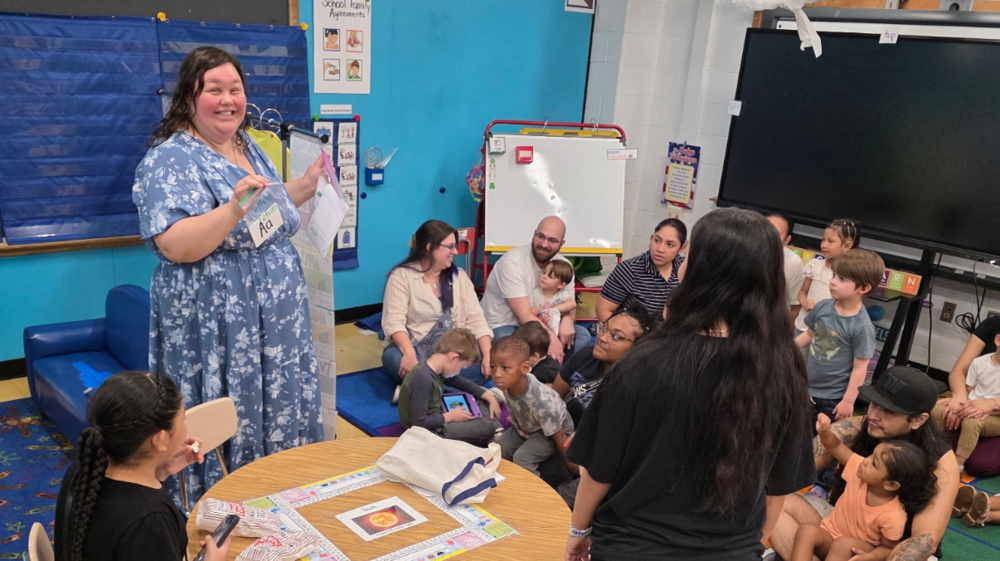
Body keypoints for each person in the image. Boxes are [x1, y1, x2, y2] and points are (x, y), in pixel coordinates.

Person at [564, 208, 815, 561]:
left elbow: (599, 468)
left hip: (632, 545)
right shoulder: (784, 363)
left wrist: (578, 530)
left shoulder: (643, 360)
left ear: (700, 266)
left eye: (688, 248)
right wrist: (753, 546)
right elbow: (779, 483)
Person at [133, 47, 325, 501]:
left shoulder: (245, 143)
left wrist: (308, 184)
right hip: (219, 326)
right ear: (188, 97)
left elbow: (267, 208)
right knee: (226, 411)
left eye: (235, 89)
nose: (227, 100)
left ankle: (279, 492)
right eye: (213, 90)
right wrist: (232, 207)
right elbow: (176, 243)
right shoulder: (169, 159)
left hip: (275, 322)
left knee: (277, 403)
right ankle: (226, 505)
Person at [769, 366, 961, 561]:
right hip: (841, 525)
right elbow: (793, 468)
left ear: (918, 420)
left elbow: (923, 541)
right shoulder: (860, 427)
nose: (873, 415)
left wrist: (875, 557)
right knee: (770, 499)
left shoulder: (940, 462)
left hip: (891, 550)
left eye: (888, 411)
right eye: (874, 404)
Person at [55, 371, 229, 561]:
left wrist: (159, 471)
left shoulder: (84, 468)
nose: (185, 426)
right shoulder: (149, 521)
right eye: (182, 420)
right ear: (160, 440)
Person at [791, 414, 937, 561]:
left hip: (857, 551)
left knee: (843, 544)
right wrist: (824, 432)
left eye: (874, 463)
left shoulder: (893, 515)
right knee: (807, 531)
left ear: (891, 484)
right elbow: (835, 446)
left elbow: (888, 548)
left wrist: (871, 556)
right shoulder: (859, 471)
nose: (866, 461)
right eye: (871, 455)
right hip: (830, 536)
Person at [381, 220, 493, 402]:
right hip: (417, 352)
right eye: (450, 247)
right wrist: (409, 354)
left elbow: (476, 320)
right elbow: (393, 322)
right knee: (393, 357)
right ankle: (453, 388)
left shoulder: (460, 278)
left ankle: (417, 388)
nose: (455, 252)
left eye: (455, 246)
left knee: (487, 362)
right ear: (429, 247)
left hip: (453, 355)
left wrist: (488, 356)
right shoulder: (402, 276)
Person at [480, 216, 590, 363]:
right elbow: (523, 316)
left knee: (582, 335)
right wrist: (551, 338)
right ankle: (545, 371)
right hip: (506, 324)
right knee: (511, 344)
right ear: (534, 233)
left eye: (552, 240)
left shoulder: (564, 266)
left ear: (561, 244)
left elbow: (568, 303)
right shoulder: (512, 262)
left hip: (544, 321)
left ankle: (555, 371)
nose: (544, 244)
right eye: (540, 236)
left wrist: (567, 321)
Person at [795, 249, 883, 424]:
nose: (833, 282)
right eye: (834, 275)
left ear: (864, 288)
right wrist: (785, 348)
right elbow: (809, 334)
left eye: (842, 279)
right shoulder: (823, 307)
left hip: (833, 399)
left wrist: (848, 401)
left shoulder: (861, 327)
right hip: (807, 388)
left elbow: (860, 368)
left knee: (824, 441)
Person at [553, 295, 658, 426]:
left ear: (637, 346)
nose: (602, 338)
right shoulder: (585, 355)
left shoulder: (638, 385)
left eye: (615, 336)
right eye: (603, 328)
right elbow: (555, 397)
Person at [396, 328, 502, 447]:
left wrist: (489, 397)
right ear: (454, 358)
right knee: (486, 426)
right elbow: (419, 423)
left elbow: (461, 382)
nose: (459, 372)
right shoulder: (424, 378)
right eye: (461, 367)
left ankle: (494, 428)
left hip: (437, 416)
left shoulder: (436, 368)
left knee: (479, 398)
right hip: (430, 432)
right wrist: (450, 417)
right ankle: (494, 429)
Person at [491, 336, 575, 477]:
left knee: (522, 458)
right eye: (493, 366)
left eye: (505, 368)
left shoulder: (541, 402)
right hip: (529, 426)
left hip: (552, 431)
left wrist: (571, 464)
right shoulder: (509, 384)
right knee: (500, 448)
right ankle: (507, 482)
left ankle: (532, 494)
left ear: (524, 368)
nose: (497, 374)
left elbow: (559, 435)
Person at [931, 332, 1000, 474]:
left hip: (994, 415)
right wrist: (958, 401)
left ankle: (957, 467)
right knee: (938, 408)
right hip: (972, 406)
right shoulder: (980, 362)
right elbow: (968, 390)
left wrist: (988, 409)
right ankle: (931, 451)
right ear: (998, 340)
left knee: (972, 420)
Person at [596, 218, 687, 321]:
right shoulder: (629, 269)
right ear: (651, 238)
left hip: (670, 334)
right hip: (634, 335)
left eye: (669, 245)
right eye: (657, 240)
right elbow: (602, 311)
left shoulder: (684, 269)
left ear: (681, 249)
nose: (660, 249)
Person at [936, 314, 1000, 448]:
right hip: (974, 401)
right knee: (938, 411)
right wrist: (960, 399)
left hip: (993, 413)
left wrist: (992, 404)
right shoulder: (993, 323)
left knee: (979, 464)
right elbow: (958, 371)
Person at [796, 219, 861, 335]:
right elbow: (802, 291)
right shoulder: (814, 265)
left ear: (847, 245)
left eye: (830, 241)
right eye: (823, 240)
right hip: (804, 327)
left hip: (827, 334)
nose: (823, 245)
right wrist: (804, 301)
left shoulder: (849, 276)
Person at [767, 212, 805, 327]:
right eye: (766, 230)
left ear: (787, 240)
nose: (769, 236)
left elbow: (795, 307)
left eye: (776, 234)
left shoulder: (793, 262)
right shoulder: (742, 252)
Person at [530, 260, 577, 333]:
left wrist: (552, 310)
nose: (544, 276)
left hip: (558, 328)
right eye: (544, 272)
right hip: (539, 330)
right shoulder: (535, 294)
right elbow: (528, 312)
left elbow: (572, 304)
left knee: (584, 335)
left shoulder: (562, 294)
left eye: (550, 276)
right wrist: (542, 309)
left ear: (561, 284)